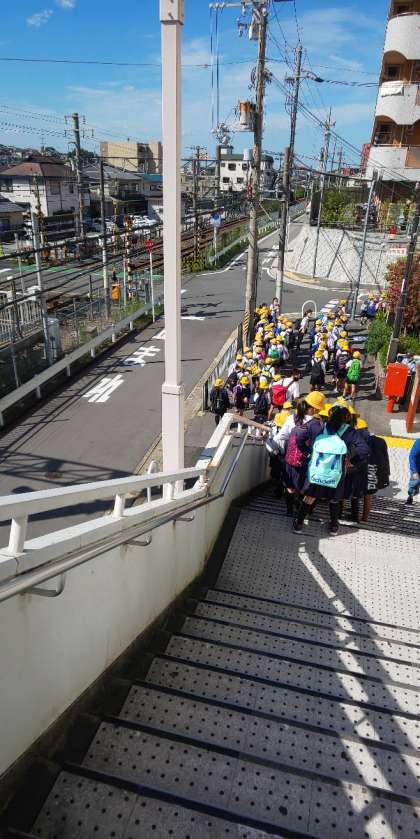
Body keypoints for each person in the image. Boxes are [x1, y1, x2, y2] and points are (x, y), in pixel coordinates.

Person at [292, 405, 350, 536]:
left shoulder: (315, 426)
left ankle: (299, 524)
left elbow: (299, 438)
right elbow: (364, 450)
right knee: (334, 499)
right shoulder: (347, 431)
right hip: (335, 473)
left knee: (310, 496)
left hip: (317, 471)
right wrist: (351, 460)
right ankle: (334, 526)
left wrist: (308, 453)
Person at [283, 391, 326, 516]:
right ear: (315, 409)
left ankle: (289, 511)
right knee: (305, 488)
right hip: (304, 462)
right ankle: (301, 512)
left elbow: (281, 436)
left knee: (290, 486)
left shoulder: (292, 418)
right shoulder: (316, 425)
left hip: (290, 459)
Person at [406, 439, 420, 505]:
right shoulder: (419, 442)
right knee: (414, 484)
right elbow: (412, 456)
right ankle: (410, 497)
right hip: (417, 468)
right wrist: (414, 471)